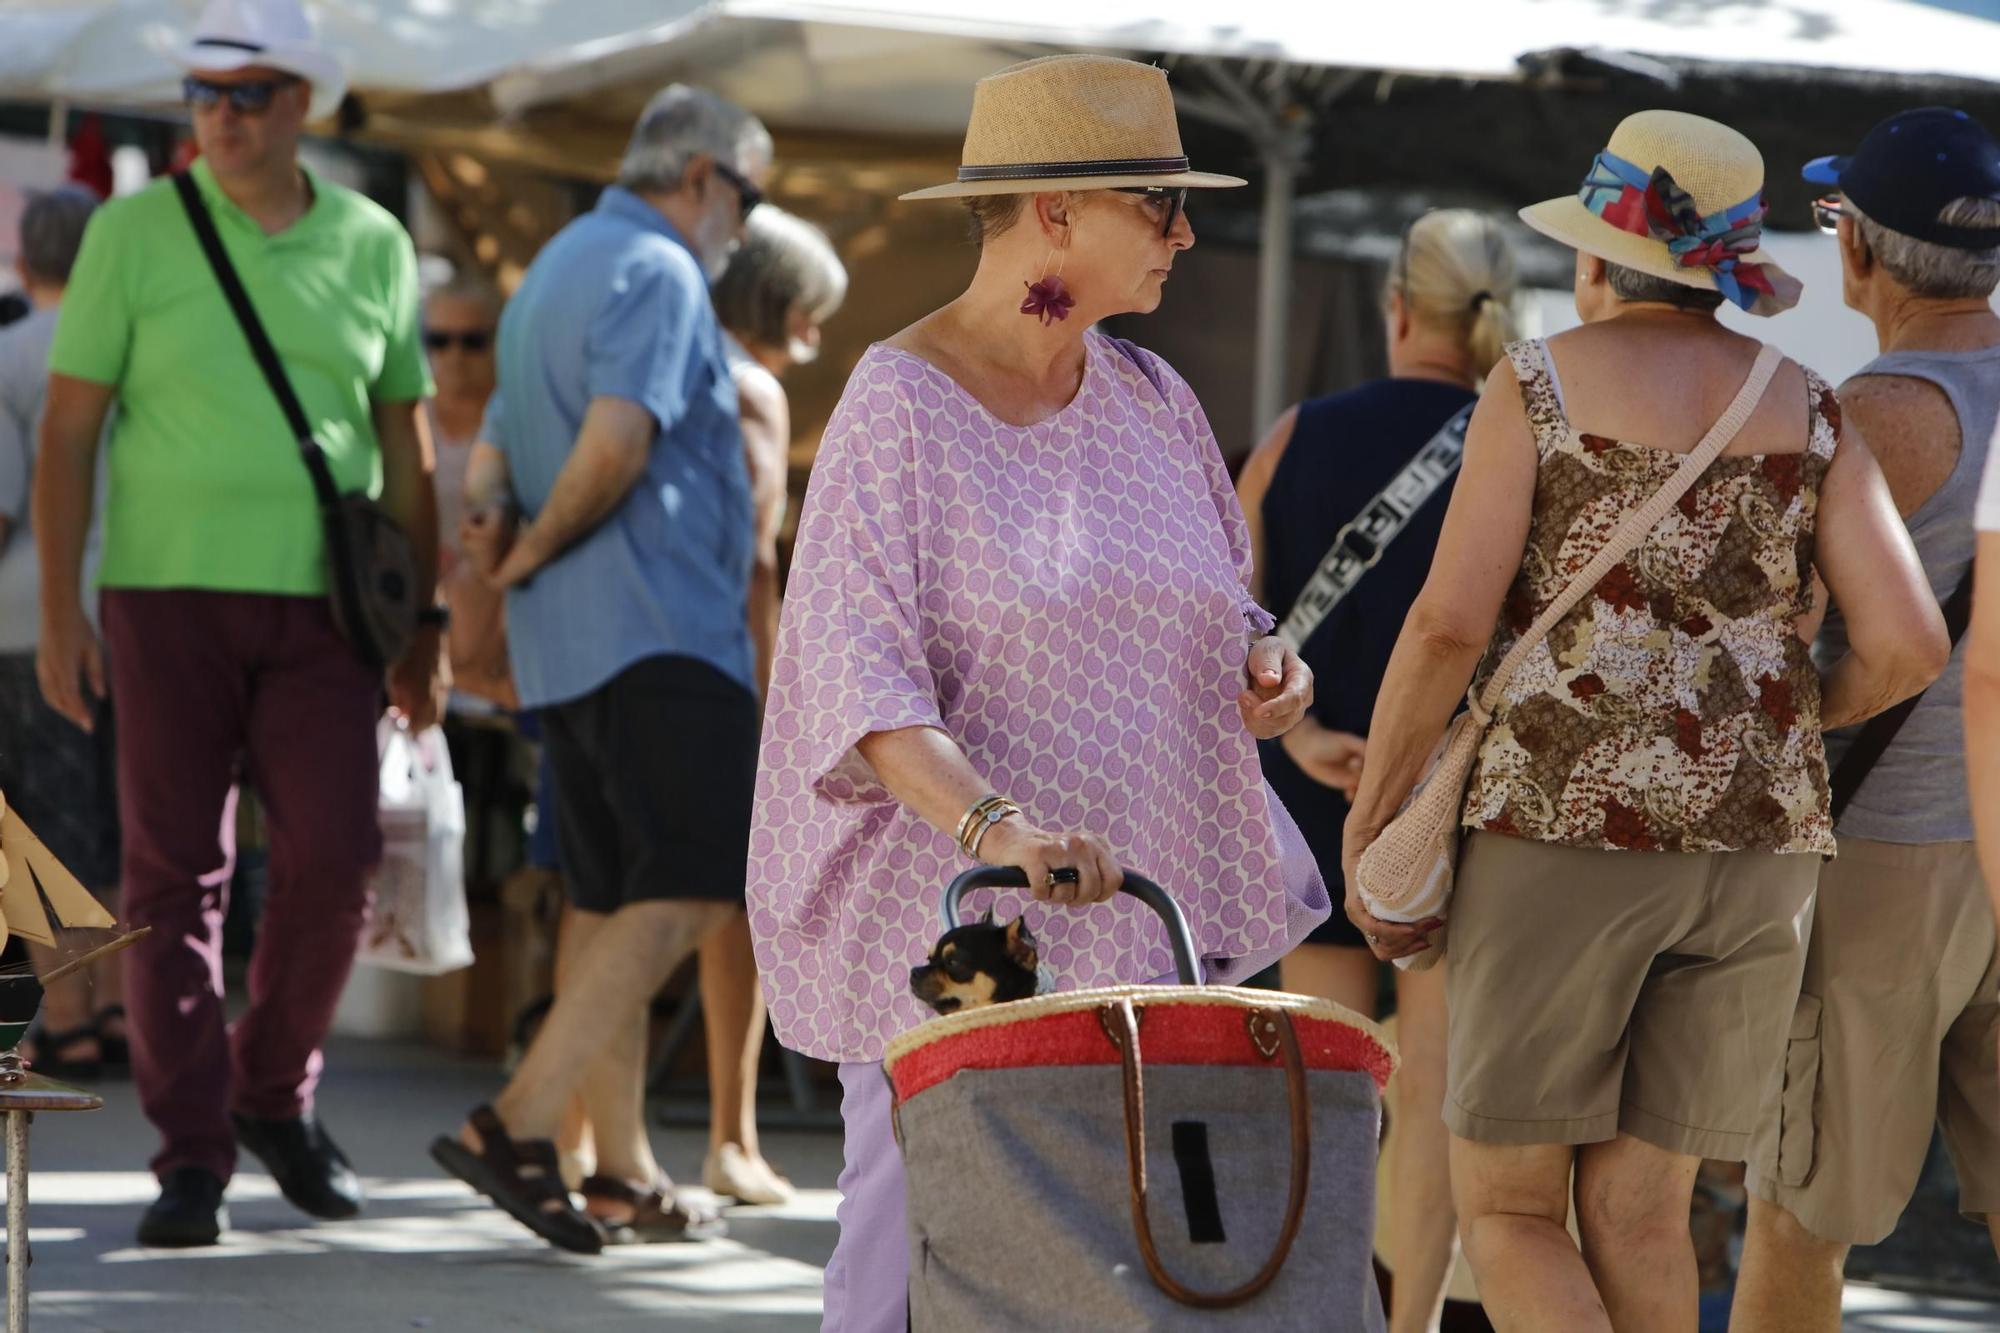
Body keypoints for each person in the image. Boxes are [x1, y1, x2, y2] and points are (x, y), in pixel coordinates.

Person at [1340, 110, 1948, 1331]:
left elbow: (1447, 625)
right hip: (1755, 857)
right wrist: (1782, 724)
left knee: (1508, 1211)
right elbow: (1906, 644)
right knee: (1640, 1215)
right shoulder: (1810, 405)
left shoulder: (1537, 382)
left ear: (1593, 258)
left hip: (1560, 832)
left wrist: (1373, 813)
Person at [746, 54, 1325, 1333]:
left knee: (1137, 1277)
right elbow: (859, 678)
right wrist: (994, 829)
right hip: (966, 934)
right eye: (1157, 203)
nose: (1184, 230)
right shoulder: (895, 406)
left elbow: (1220, 598)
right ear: (1054, 212)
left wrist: (1261, 662)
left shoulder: (1150, 394)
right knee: (909, 1269)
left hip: (1146, 914)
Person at [34, 0, 443, 1248]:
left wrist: (423, 624)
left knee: (335, 860)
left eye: (249, 93)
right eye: (203, 95)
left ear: (303, 104)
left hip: (324, 611)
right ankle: (192, 1154)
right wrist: (59, 613)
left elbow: (405, 443)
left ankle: (269, 1093)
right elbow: (68, 431)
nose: (221, 114)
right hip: (160, 601)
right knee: (172, 878)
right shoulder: (131, 231)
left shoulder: (373, 238)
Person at [432, 84, 773, 1255]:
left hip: (569, 646)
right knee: (686, 886)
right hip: (655, 627)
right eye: (749, 193)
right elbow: (617, 446)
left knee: (610, 895)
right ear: (699, 177)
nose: (747, 222)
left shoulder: (549, 271)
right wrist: (522, 541)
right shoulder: (664, 269)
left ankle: (620, 1166)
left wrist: (494, 526)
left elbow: (490, 444)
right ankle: (517, 1122)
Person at [1729, 108, 2000, 1332]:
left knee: (1803, 1210)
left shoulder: (1874, 412)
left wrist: (1811, 731)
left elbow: (1781, 636)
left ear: (1860, 255)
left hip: (1888, 852)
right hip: (1990, 829)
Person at [1236, 207, 1518, 1333]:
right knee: (1437, 1099)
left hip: (1315, 790)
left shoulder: (1297, 433)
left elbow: (1231, 623)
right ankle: (1406, 1329)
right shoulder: (1521, 443)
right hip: (1450, 803)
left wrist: (1298, 737)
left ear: (1393, 307)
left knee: (1322, 1090)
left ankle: (1323, 1310)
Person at [694, 205, 846, 1206]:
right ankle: (729, 1132)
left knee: (615, 901)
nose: (820, 337)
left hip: (639, 659)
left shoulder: (689, 365)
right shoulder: (752, 389)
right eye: (812, 313)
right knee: (729, 913)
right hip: (719, 675)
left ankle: (585, 1135)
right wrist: (776, 690)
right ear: (780, 305)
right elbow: (756, 560)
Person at [0, 186, 128, 1080]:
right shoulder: (134, 351)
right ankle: (121, 1004)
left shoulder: (9, 356)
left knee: (41, 828)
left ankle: (71, 1013)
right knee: (121, 817)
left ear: (25, 260)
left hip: (26, 618)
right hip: (136, 607)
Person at [424, 273, 515, 709]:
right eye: (439, 340)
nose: (455, 356)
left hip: (496, 625)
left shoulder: (519, 424)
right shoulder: (406, 421)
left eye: (472, 341)